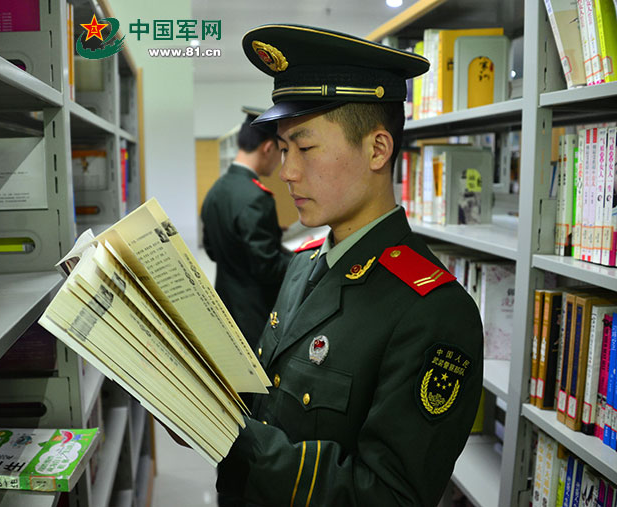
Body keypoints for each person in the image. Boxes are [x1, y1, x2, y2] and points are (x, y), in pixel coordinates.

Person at [215, 25, 484, 506]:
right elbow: (271, 400)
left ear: (377, 149)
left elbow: (388, 495)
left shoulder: (433, 313)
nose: (287, 172)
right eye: (283, 149)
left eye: (305, 148)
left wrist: (236, 441)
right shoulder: (303, 266)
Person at [201, 107, 292, 348]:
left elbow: (212, 249)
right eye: (281, 151)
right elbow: (267, 268)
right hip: (254, 315)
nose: (280, 161)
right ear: (268, 148)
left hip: (226, 306)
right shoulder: (256, 197)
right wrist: (302, 259)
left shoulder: (216, 190)